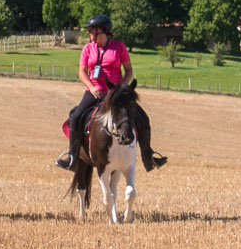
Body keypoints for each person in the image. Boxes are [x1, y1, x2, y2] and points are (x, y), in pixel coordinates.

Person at [56, 15, 167, 171]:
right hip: (93, 91)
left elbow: (128, 71)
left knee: (143, 118)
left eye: (91, 30)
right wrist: (92, 87)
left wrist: (120, 88)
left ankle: (148, 157)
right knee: (75, 117)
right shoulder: (87, 49)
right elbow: (82, 72)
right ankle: (72, 157)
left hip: (116, 94)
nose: (88, 33)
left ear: (102, 30)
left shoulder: (119, 47)